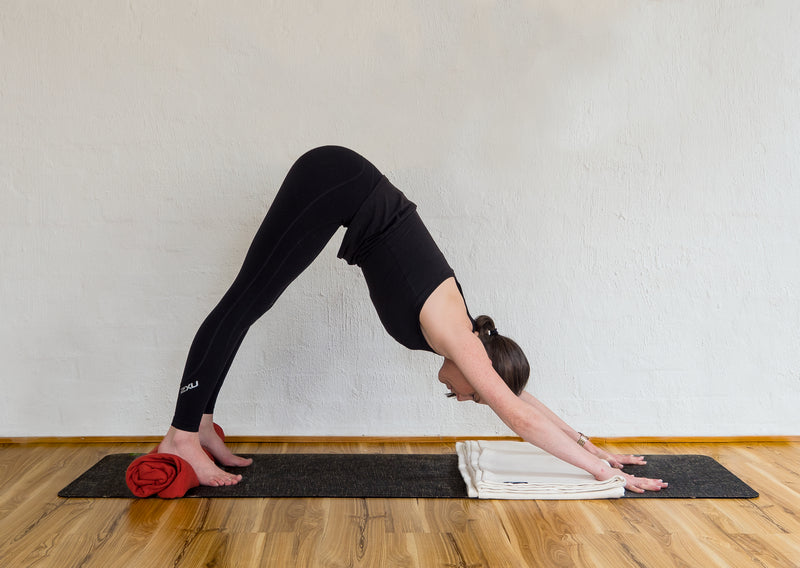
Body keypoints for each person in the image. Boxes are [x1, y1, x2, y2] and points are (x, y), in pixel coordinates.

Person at [157, 145, 667, 494]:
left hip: (344, 185)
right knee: (244, 302)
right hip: (335, 179)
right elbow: (518, 416)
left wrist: (594, 446)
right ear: (481, 365)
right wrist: (603, 473)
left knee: (249, 304)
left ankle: (199, 423)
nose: (468, 398)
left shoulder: (468, 341)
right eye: (475, 392)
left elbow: (517, 399)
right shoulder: (460, 337)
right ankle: (181, 436)